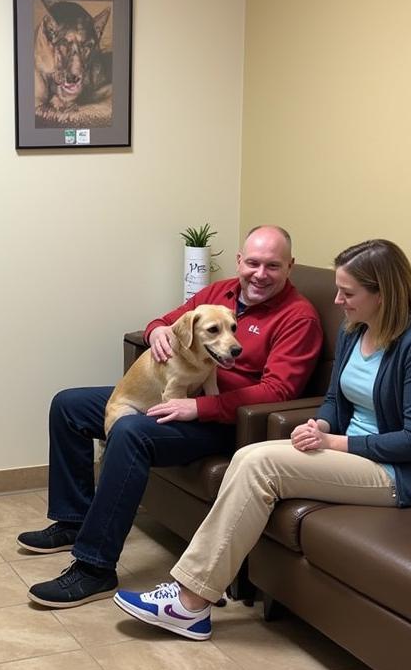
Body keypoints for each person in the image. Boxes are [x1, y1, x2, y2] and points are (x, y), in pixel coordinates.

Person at [114, 238, 411, 639]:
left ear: (383, 293)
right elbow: (333, 400)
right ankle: (194, 597)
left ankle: (190, 602)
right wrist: (322, 426)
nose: (338, 301)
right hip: (349, 450)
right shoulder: (354, 331)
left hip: (402, 472)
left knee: (261, 464)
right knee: (249, 457)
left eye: (348, 293)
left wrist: (336, 444)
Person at [21, 225, 324, 609]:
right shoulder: (220, 293)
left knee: (130, 432)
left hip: (226, 423)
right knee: (69, 405)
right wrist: (157, 331)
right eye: (252, 263)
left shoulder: (298, 318)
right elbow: (167, 321)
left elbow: (279, 392)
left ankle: (95, 567)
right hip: (179, 397)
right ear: (239, 261)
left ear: (290, 267)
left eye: (272, 266)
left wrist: (200, 407)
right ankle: (72, 520)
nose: (260, 274)